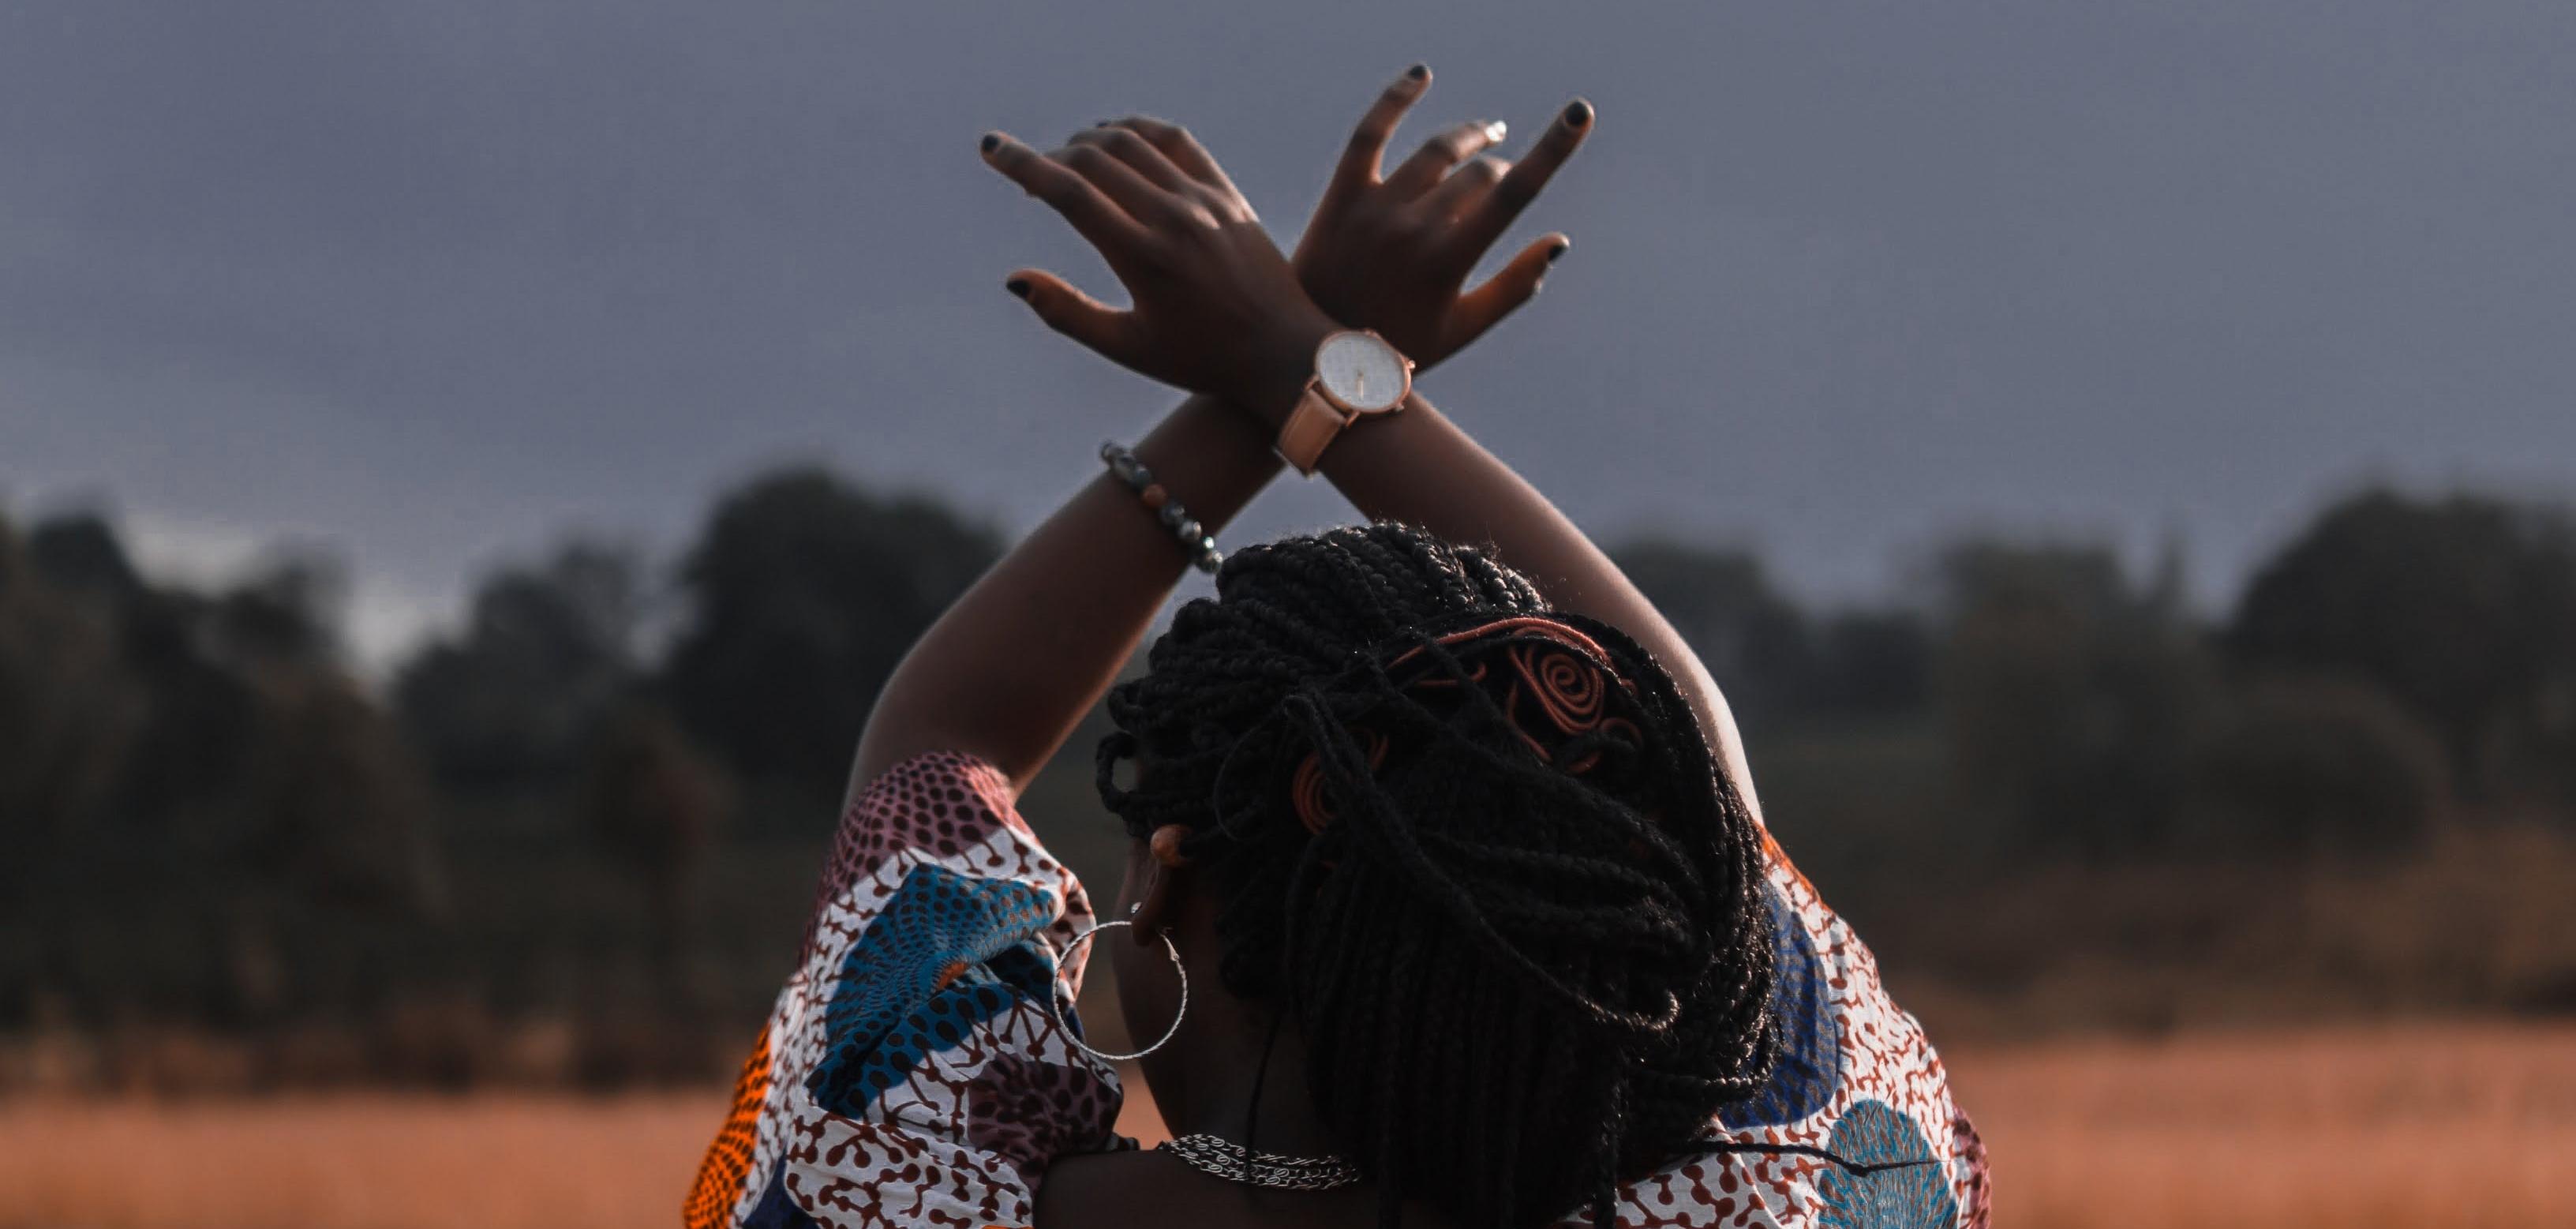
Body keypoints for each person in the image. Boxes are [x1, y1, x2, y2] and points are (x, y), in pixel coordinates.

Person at [684, 66, 1988, 1229]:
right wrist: (1304, 358)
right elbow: (1688, 768)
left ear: (1170, 881)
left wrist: (1267, 389)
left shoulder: (888, 1183)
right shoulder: (1768, 1185)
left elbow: (938, 743)